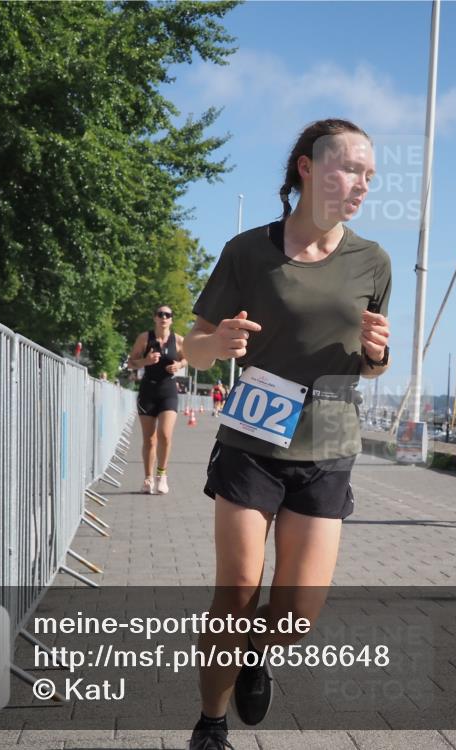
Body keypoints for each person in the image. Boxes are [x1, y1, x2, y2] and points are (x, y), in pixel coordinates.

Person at [182, 118, 391, 750]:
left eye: (369, 175)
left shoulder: (373, 262)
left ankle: (254, 655)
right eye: (350, 168)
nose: (360, 184)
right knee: (238, 590)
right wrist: (217, 344)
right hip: (253, 439)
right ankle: (211, 724)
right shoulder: (248, 251)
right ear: (307, 166)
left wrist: (379, 357)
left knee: (297, 614)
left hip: (328, 441)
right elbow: (190, 351)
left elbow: (368, 360)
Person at [127, 305, 187, 495]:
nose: (163, 317)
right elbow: (130, 362)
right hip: (148, 391)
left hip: (168, 390)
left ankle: (162, 475)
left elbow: (188, 358)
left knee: (165, 434)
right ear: (154, 318)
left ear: (171, 319)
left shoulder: (178, 340)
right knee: (149, 439)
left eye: (167, 315)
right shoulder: (145, 338)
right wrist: (146, 361)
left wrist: (179, 364)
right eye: (160, 314)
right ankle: (148, 478)